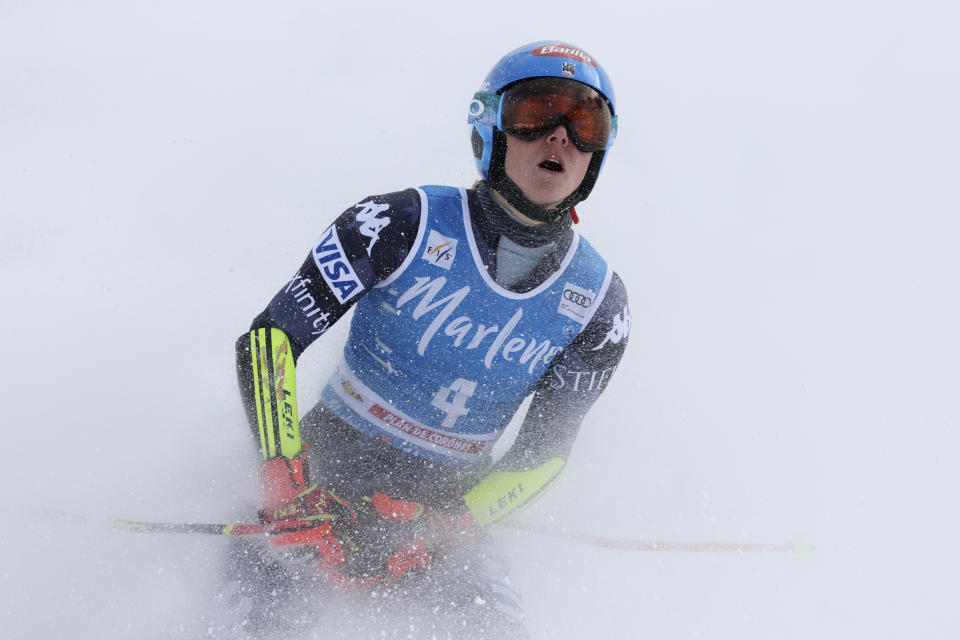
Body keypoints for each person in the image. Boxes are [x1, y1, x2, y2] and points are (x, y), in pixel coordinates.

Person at [222, 40, 631, 639]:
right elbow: (270, 343)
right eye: (535, 114)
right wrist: (287, 483)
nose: (561, 137)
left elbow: (544, 454)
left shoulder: (600, 304)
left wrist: (450, 526)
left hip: (444, 510)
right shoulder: (398, 223)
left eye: (586, 122)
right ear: (489, 128)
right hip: (320, 474)